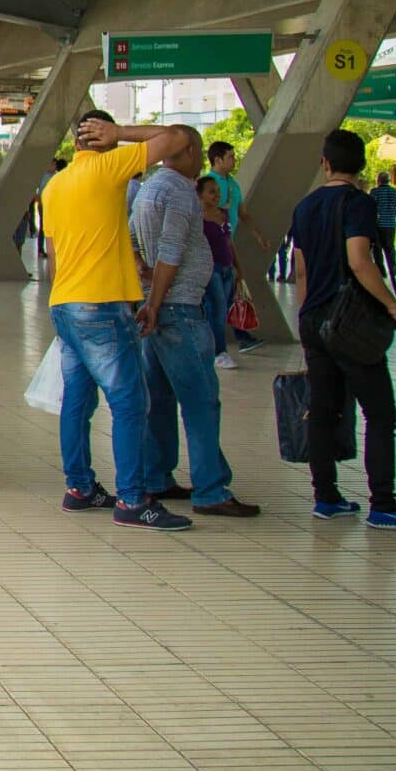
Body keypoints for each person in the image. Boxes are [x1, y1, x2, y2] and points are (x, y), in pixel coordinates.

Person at [39, 110, 195, 532]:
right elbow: (177, 138)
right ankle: (132, 499)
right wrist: (121, 134)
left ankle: (80, 488)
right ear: (103, 139)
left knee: (78, 400)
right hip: (100, 305)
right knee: (129, 402)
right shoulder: (109, 166)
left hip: (66, 303)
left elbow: (53, 259)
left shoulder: (54, 186)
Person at [289, 130, 396, 529]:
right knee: (381, 414)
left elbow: (299, 268)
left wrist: (305, 320)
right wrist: (393, 306)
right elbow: (359, 260)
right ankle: (383, 503)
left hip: (314, 319)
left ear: (325, 163)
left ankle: (326, 497)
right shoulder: (359, 203)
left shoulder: (305, 206)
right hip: (349, 323)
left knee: (321, 411)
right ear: (362, 166)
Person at [130, 129, 258, 518]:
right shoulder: (182, 192)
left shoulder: (149, 189)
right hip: (179, 307)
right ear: (183, 152)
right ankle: (210, 489)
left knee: (161, 399)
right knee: (201, 400)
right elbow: (170, 249)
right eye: (199, 151)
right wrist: (156, 300)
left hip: (157, 308)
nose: (202, 159)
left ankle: (156, 476)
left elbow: (134, 241)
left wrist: (147, 289)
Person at [206, 141, 267, 353]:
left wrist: (258, 234)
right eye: (230, 156)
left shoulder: (233, 184)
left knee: (229, 295)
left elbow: (243, 213)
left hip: (226, 245)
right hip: (211, 249)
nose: (234, 160)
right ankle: (222, 346)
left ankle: (238, 338)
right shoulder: (207, 184)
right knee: (218, 301)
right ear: (217, 159)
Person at [197, 177, 239, 370]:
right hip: (210, 268)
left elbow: (229, 242)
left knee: (219, 310)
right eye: (211, 192)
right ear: (201, 194)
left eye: (217, 191)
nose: (216, 195)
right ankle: (219, 352)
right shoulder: (197, 217)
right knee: (218, 309)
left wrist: (238, 267)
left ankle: (209, 348)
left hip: (226, 267)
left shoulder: (224, 214)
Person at [369, 170, 396, 296]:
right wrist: (394, 214)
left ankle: (381, 270)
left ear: (378, 181)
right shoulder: (394, 192)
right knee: (390, 247)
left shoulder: (375, 192)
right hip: (390, 225)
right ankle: (393, 269)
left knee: (377, 249)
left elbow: (370, 206)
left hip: (378, 225)